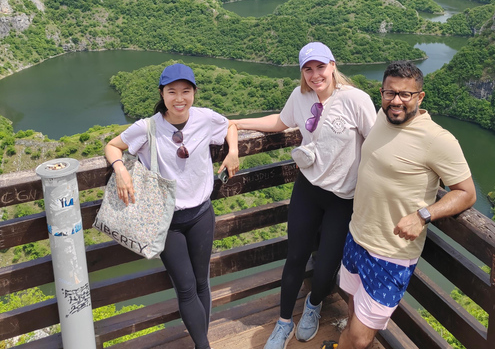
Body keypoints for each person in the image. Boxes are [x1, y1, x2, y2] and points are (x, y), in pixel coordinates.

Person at [231, 42, 376, 349]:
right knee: (295, 257)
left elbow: (376, 143)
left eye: (320, 67)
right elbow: (280, 122)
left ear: (333, 65)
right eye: (308, 69)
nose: (314, 75)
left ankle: (313, 303)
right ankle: (283, 323)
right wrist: (236, 122)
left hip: (343, 198)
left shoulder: (355, 100)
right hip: (308, 189)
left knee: (325, 267)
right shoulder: (300, 96)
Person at [334, 61, 476, 349]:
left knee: (359, 337)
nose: (396, 101)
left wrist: (424, 215)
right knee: (352, 310)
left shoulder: (437, 139)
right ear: (382, 93)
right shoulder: (381, 117)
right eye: (390, 93)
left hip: (391, 254)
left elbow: (466, 192)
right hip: (357, 237)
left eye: (405, 94)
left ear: (420, 97)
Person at [105, 63, 239, 349]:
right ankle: (203, 346)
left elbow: (229, 125)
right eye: (172, 92)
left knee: (202, 282)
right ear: (162, 94)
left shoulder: (204, 119)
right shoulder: (148, 127)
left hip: (202, 213)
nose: (180, 98)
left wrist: (234, 151)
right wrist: (120, 169)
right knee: (187, 287)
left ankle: (201, 343)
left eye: (186, 91)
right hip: (167, 221)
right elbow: (112, 146)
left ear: (194, 92)